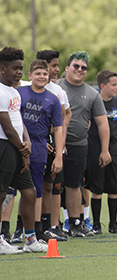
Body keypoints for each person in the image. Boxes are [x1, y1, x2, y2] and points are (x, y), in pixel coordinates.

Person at [57, 51, 111, 237]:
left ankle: (75, 224)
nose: (80, 70)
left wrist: (105, 150)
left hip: (79, 144)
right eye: (76, 66)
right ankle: (50, 225)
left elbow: (102, 122)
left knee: (74, 184)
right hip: (54, 144)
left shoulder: (91, 94)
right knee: (52, 186)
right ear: (67, 68)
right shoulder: (55, 87)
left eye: (83, 68)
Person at [0, 46, 47, 254]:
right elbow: (7, 127)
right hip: (4, 146)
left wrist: (26, 143)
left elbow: (20, 122)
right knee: (1, 194)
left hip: (18, 148)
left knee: (29, 192)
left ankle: (30, 240)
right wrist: (22, 148)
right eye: (14, 69)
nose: (18, 72)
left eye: (20, 68)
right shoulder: (0, 91)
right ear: (2, 68)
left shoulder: (14, 91)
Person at [17, 59, 64, 242]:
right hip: (15, 146)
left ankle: (34, 231)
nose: (41, 77)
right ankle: (8, 231)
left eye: (44, 74)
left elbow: (58, 128)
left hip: (38, 149)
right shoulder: (19, 93)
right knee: (8, 192)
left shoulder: (52, 99)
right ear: (30, 76)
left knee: (34, 191)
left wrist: (58, 155)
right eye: (38, 73)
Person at [86, 70, 117, 235]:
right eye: (113, 84)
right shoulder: (94, 102)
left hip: (114, 151)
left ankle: (113, 224)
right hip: (95, 150)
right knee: (96, 189)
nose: (116, 88)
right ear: (102, 86)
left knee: (114, 189)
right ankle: (96, 224)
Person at [36, 49, 71, 240]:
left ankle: (52, 225)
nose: (57, 69)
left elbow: (66, 115)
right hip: (34, 144)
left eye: (57, 65)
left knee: (52, 186)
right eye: (53, 65)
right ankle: (23, 227)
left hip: (53, 144)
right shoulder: (27, 88)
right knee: (31, 187)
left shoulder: (58, 91)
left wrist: (60, 144)